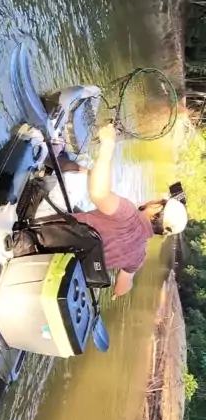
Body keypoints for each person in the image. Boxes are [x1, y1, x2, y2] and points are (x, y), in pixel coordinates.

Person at [44, 123, 188, 298]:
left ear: (157, 207)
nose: (154, 199)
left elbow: (98, 193)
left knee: (86, 171)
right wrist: (117, 293)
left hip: (43, 229)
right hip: (55, 264)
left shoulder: (128, 214)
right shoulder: (138, 257)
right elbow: (123, 287)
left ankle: (45, 154)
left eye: (160, 201)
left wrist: (108, 145)